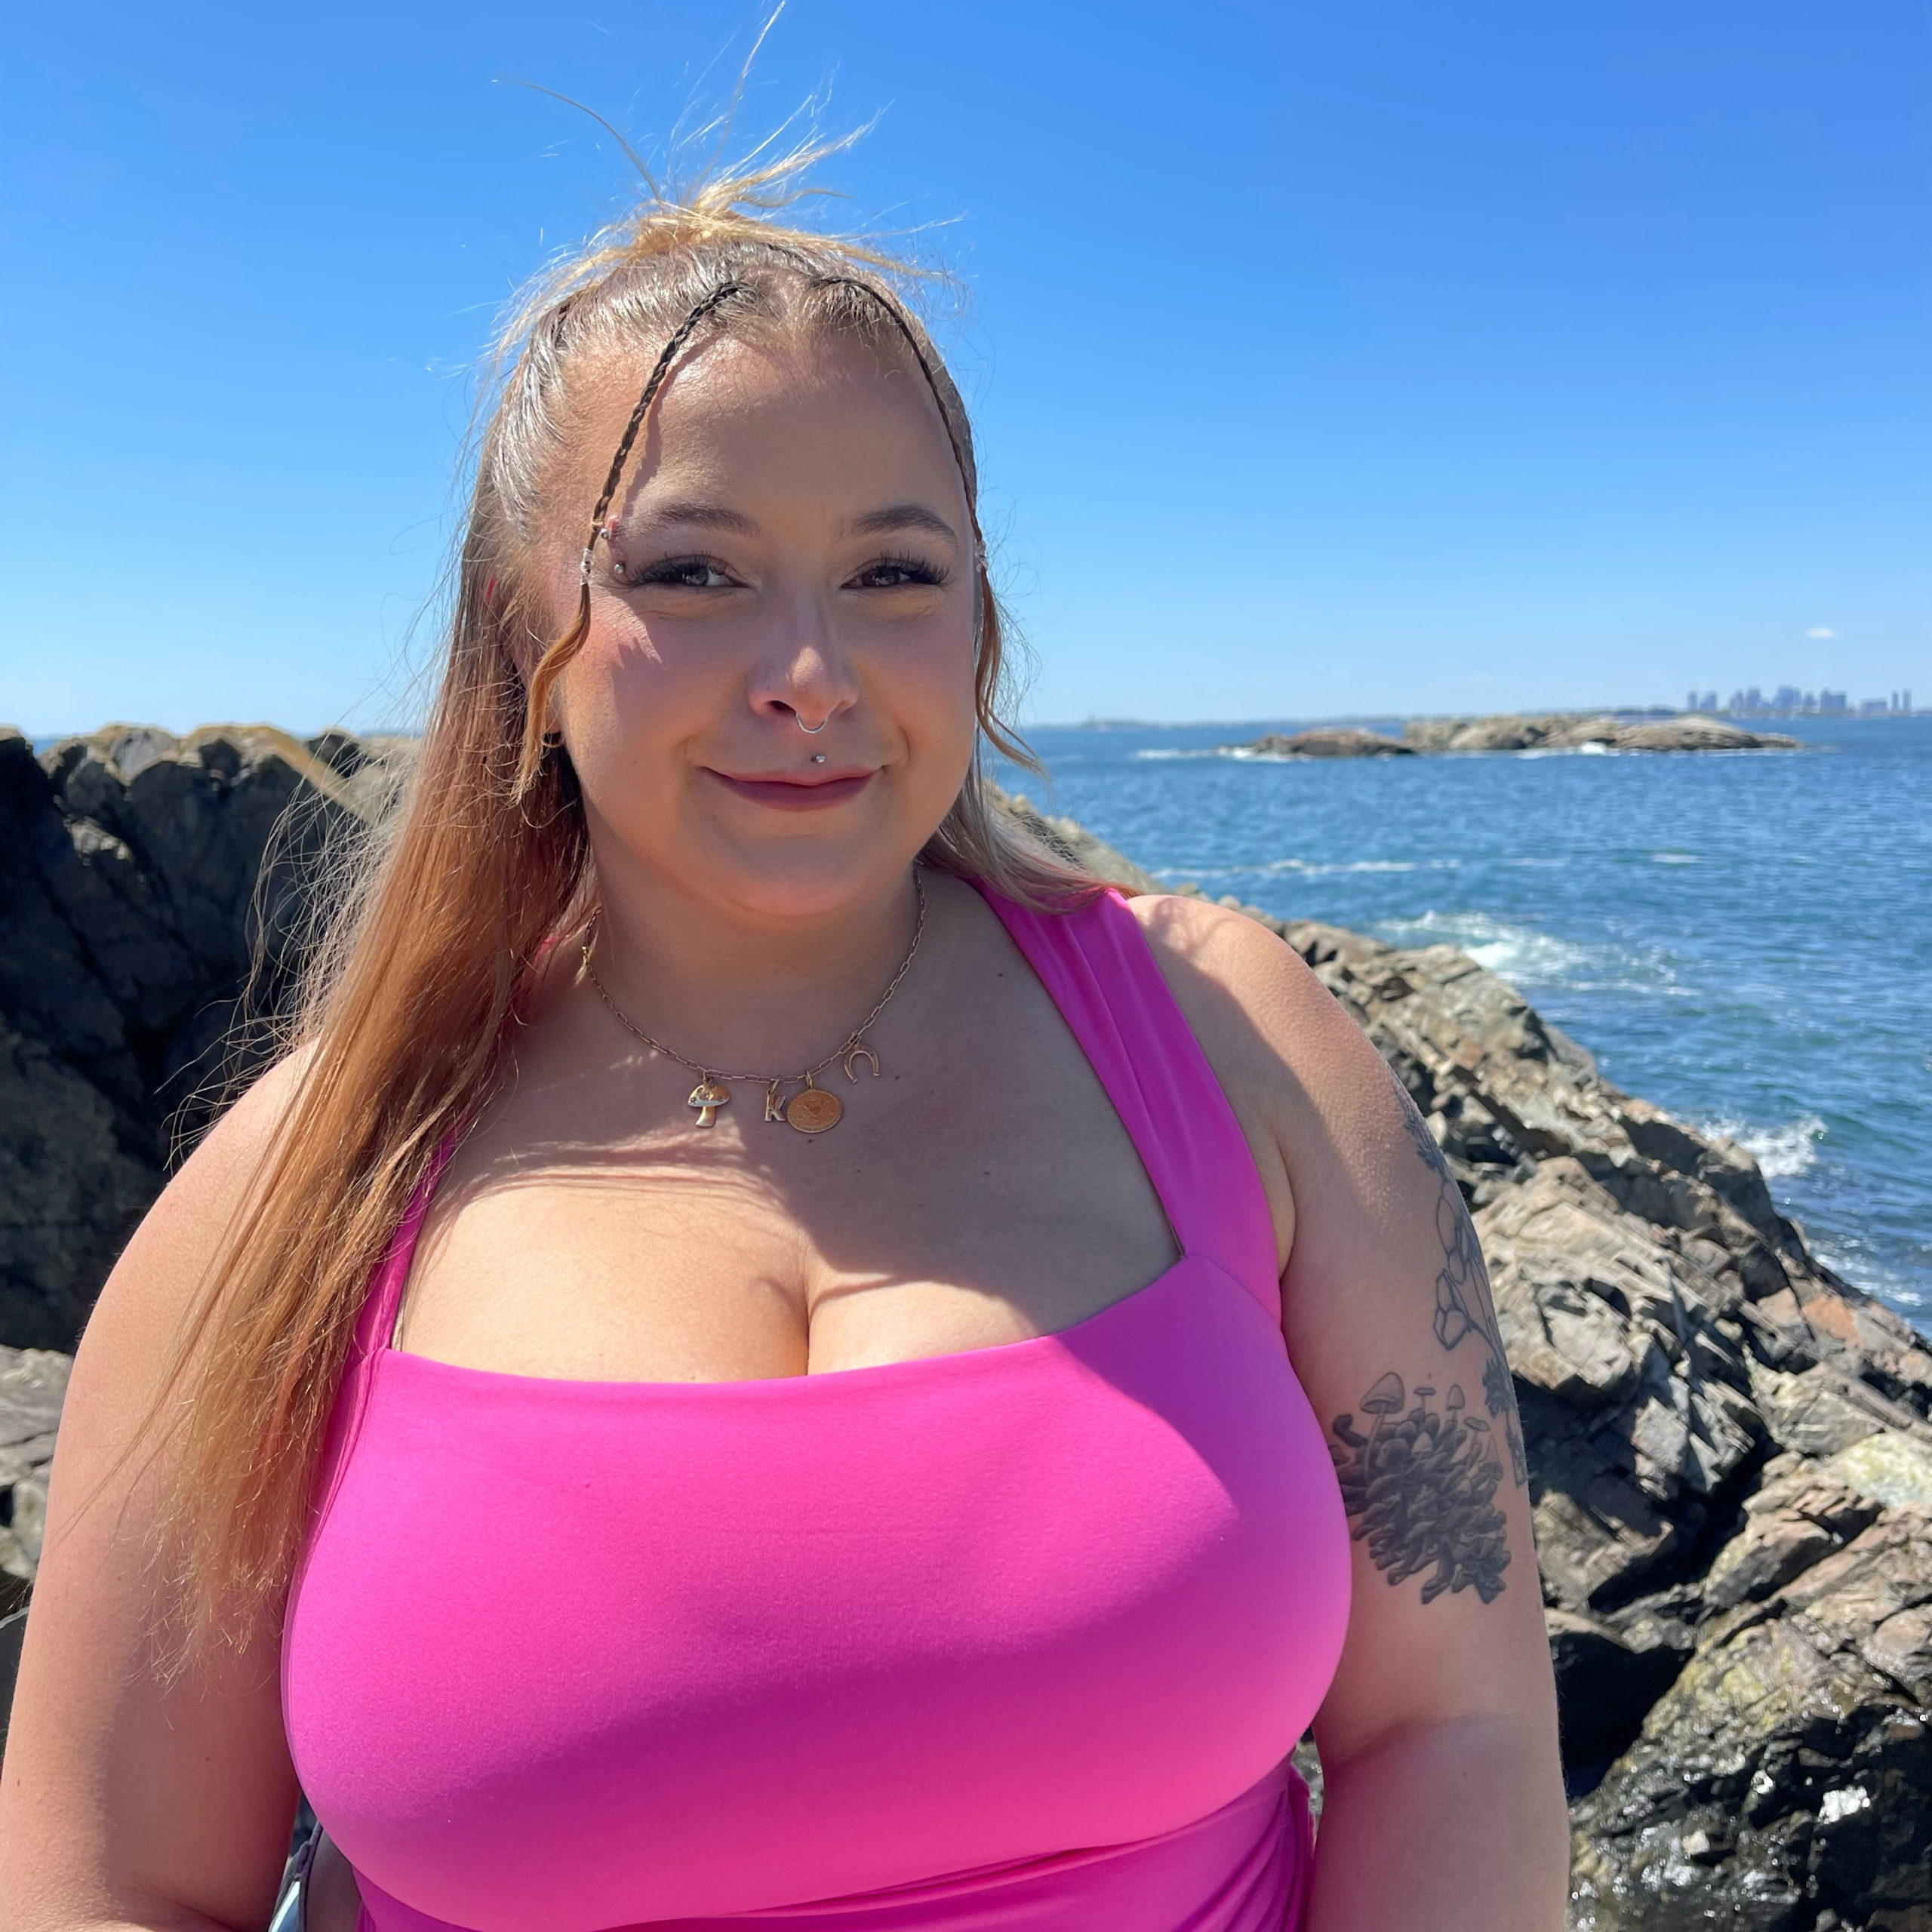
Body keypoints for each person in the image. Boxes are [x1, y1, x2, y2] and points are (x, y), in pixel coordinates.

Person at [0, 144, 1567, 1932]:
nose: (809, 672)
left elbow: (1451, 1725)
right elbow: (113, 1881)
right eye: (693, 571)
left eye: (893, 571)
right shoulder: (310, 1185)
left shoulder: (1228, 1039)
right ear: (523, 629)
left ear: (978, 625)